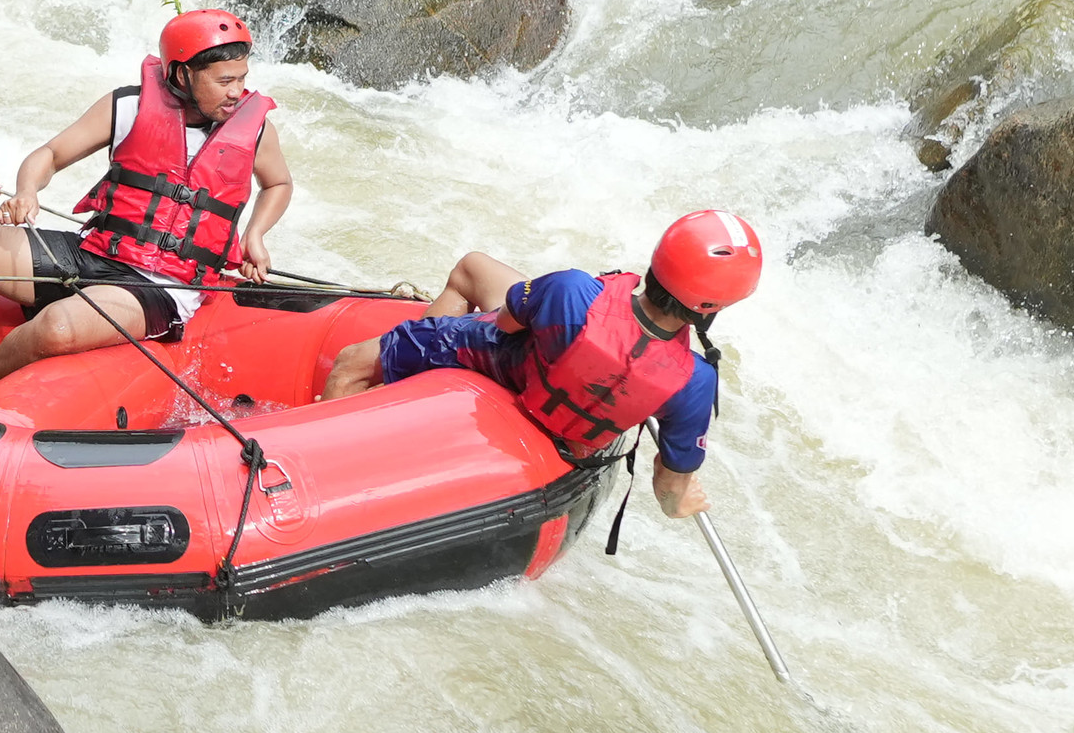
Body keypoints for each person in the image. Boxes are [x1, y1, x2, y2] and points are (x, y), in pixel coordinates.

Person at [0, 8, 292, 408]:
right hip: (93, 251)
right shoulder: (128, 106)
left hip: (160, 288)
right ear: (182, 75)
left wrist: (255, 234)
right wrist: (27, 191)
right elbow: (50, 154)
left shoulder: (256, 130)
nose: (236, 91)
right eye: (225, 80)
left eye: (242, 78)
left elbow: (278, 183)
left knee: (58, 327)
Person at [318, 211, 765, 518]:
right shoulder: (693, 382)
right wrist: (684, 502)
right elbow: (670, 493)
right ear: (711, 307)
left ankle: (342, 453)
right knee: (476, 269)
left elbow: (508, 323)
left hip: (504, 365)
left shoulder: (572, 291)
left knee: (352, 363)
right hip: (567, 445)